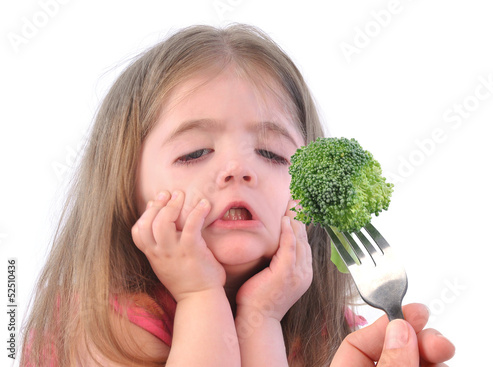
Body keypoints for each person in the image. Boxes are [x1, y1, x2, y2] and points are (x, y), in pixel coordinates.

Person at [20, 24, 454, 366]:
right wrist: (201, 296)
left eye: (271, 153)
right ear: (123, 186)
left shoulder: (334, 335)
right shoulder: (94, 325)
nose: (239, 170)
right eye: (194, 153)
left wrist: (260, 317)